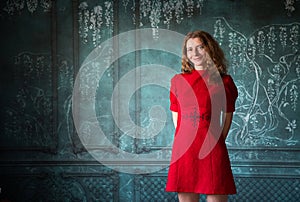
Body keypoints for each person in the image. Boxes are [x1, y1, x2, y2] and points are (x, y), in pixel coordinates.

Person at [165, 30, 238, 202]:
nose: (195, 53)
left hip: (212, 147)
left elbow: (228, 116)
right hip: (185, 150)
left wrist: (217, 140)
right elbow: (176, 118)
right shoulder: (178, 81)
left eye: (200, 47)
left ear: (210, 49)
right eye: (190, 49)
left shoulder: (224, 81)